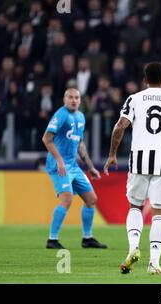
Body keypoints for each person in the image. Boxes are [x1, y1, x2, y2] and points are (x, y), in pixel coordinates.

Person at [103, 62, 161, 275]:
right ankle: (154, 262)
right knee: (159, 212)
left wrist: (112, 154)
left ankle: (133, 248)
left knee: (135, 207)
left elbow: (120, 126)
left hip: (139, 160)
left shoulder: (134, 99)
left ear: (144, 80)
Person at [43, 88, 106, 249]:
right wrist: (59, 160)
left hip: (73, 166)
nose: (73, 100)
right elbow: (46, 138)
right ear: (64, 100)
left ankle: (87, 238)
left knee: (91, 199)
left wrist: (90, 167)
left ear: (80, 100)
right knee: (67, 199)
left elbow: (80, 143)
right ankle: (52, 239)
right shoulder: (61, 114)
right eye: (70, 97)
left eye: (76, 97)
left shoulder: (80, 117)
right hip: (59, 166)